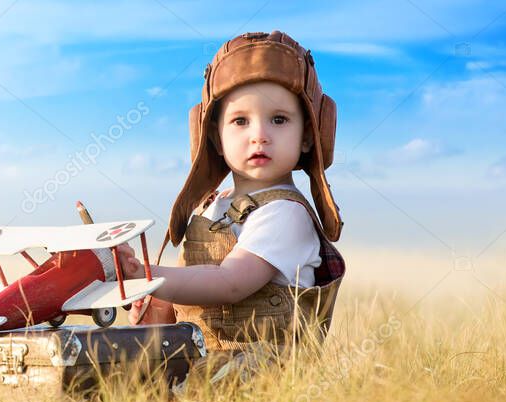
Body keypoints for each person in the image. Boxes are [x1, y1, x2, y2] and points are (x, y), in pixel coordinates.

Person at [116, 30, 346, 383]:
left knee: (186, 385)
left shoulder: (285, 214)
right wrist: (159, 306)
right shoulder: (214, 208)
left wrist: (149, 279)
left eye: (279, 119)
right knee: (123, 375)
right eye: (240, 121)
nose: (259, 135)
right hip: (206, 358)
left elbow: (229, 283)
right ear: (214, 137)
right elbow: (191, 292)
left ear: (307, 135)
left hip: (267, 369)